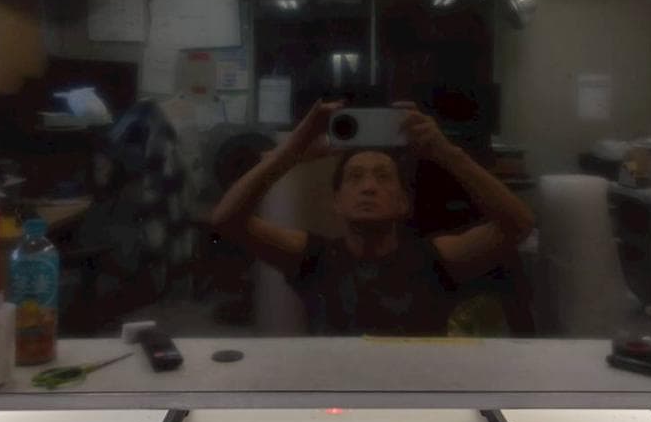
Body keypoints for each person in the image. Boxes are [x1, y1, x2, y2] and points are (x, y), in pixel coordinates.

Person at [210, 99, 535, 336]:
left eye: (383, 177)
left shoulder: (435, 259)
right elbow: (227, 220)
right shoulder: (313, 257)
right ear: (337, 202)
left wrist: (446, 151)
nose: (368, 187)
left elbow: (518, 225)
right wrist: (292, 150)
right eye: (355, 177)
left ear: (403, 202)